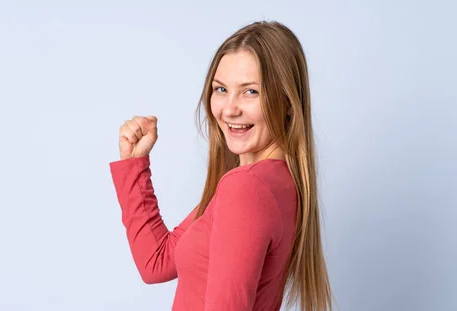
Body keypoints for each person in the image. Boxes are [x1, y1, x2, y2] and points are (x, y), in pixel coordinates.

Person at [109, 21, 334, 311]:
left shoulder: (247, 187)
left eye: (250, 91)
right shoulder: (272, 183)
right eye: (221, 89)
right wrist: (133, 164)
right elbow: (156, 261)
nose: (229, 109)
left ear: (288, 100)